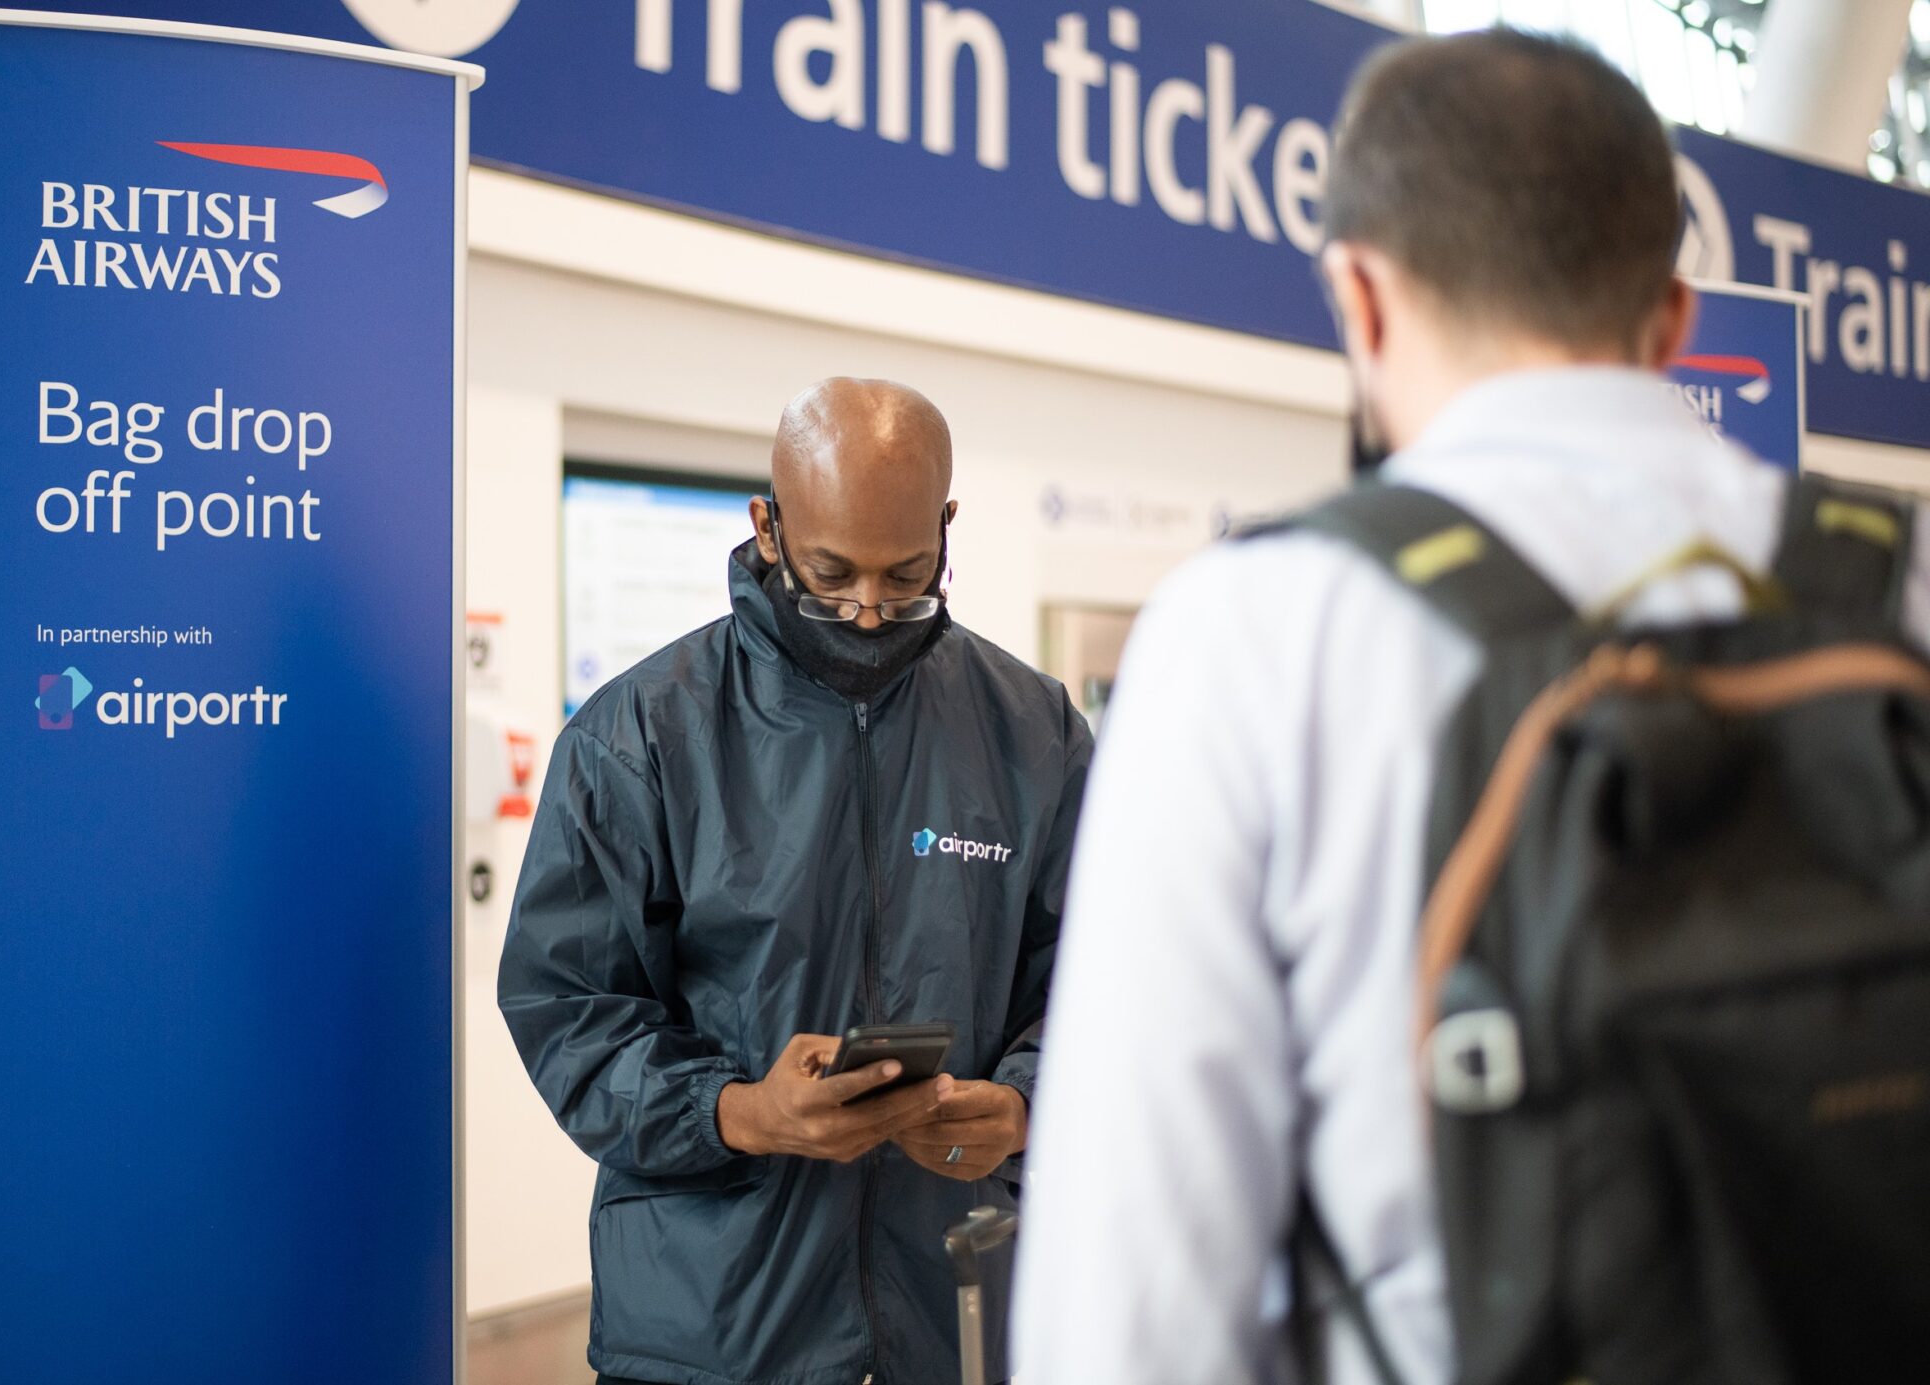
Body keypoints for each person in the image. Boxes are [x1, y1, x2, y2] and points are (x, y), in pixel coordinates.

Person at [1014, 28, 1930, 1385]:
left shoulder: (1258, 629)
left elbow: (1135, 1292)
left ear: (1361, 301)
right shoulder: (1897, 581)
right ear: (1674, 316)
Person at [500, 378, 1092, 1385]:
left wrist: (1030, 1103)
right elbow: (570, 1009)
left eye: (906, 574)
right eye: (830, 574)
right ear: (767, 526)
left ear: (946, 526)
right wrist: (738, 1111)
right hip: (712, 1323)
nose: (867, 609)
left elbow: (1102, 980)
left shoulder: (1033, 732)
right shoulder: (637, 736)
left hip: (958, 1312)